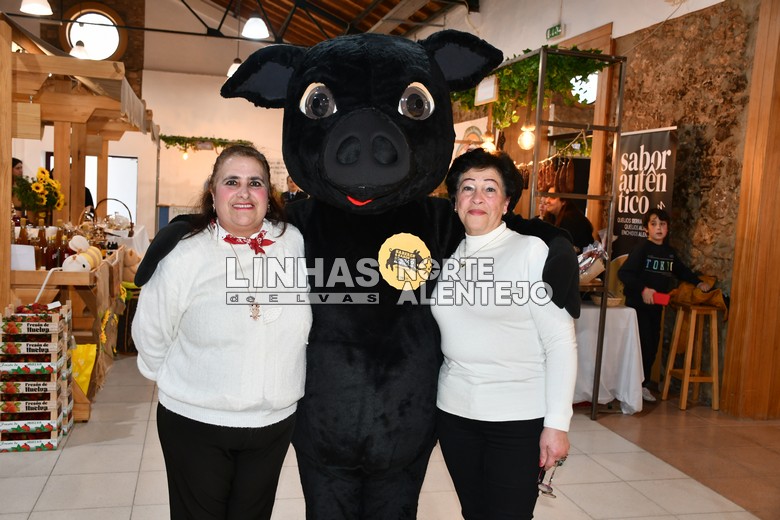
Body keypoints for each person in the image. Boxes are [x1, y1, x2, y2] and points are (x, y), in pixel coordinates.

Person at [132, 145, 312, 519]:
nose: (244, 193)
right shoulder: (186, 253)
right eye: (232, 182)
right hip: (196, 423)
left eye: (255, 183)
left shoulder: (292, 242)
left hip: (272, 425)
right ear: (213, 194)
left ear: (268, 195)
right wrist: (184, 386)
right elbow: (150, 332)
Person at [432, 148, 578, 519]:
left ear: (507, 202)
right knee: (474, 512)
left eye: (490, 188)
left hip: (518, 419)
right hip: (455, 415)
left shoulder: (529, 251)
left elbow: (560, 341)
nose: (477, 197)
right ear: (455, 201)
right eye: (467, 188)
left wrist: (557, 424)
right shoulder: (447, 256)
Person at [618, 208, 711, 402]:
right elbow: (624, 273)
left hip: (656, 306)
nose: (658, 228)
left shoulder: (669, 253)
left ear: (667, 228)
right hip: (638, 306)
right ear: (646, 229)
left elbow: (682, 271)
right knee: (642, 345)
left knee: (652, 345)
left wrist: (698, 283)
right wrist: (643, 289)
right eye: (653, 224)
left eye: (662, 224)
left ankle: (642, 385)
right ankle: (632, 386)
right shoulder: (642, 249)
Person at [542, 187, 595, 253]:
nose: (547, 201)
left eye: (553, 197)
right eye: (547, 196)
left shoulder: (570, 219)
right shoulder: (550, 217)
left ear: (563, 201)